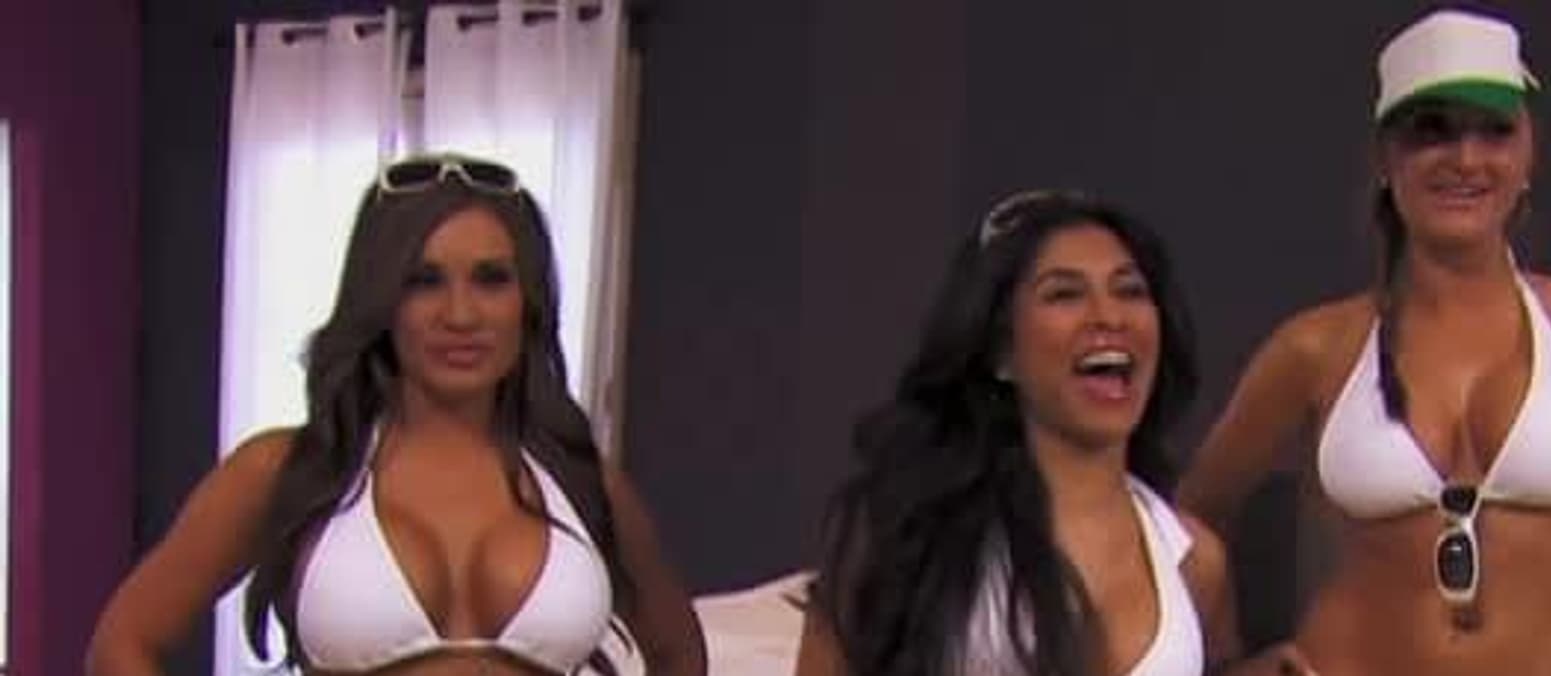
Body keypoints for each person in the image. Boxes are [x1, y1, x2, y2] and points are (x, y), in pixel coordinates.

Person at [1178, 8, 1551, 676]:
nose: (1466, 159)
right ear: (1385, 157)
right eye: (1433, 132)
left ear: (1527, 154)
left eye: (1494, 132)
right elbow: (1192, 518)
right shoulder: (1315, 349)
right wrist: (1228, 663)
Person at [87, 154, 707, 675]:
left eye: (491, 279)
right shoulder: (289, 468)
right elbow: (123, 643)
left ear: (529, 301)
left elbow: (680, 655)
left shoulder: (581, 480)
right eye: (423, 281)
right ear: (381, 299)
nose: (460, 315)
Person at [795, 190, 1240, 675]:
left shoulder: (1194, 564)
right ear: (1001, 353)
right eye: (1065, 294)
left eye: (1130, 290)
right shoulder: (904, 536)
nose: (1110, 317)